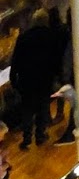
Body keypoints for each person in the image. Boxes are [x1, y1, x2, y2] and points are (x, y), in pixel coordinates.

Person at [11, 8, 58, 147]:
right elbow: (54, 58)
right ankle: (40, 135)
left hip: (27, 80)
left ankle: (26, 138)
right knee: (43, 108)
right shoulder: (51, 36)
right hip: (44, 79)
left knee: (27, 110)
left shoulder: (24, 37)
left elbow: (16, 60)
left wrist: (14, 79)